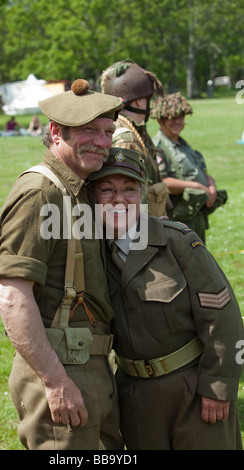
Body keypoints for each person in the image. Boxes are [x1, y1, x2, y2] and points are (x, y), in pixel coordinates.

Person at [0, 79, 124, 450]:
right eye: (88, 131)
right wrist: (55, 383)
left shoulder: (79, 188)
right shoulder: (41, 192)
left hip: (93, 364)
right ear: (54, 132)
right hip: (64, 369)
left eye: (107, 132)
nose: (102, 141)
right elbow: (11, 297)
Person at [88, 146, 244, 450]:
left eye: (129, 189)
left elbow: (224, 319)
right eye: (107, 190)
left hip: (193, 390)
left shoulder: (178, 243)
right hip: (135, 398)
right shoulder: (93, 255)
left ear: (143, 194)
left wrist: (218, 387)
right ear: (93, 198)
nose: (119, 199)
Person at [151, 92, 227, 242]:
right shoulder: (158, 147)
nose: (177, 121)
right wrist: (197, 186)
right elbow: (162, 182)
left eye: (180, 116)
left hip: (195, 213)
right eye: (171, 117)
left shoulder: (183, 144)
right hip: (180, 217)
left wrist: (211, 186)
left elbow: (202, 171)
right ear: (160, 121)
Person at [99, 59, 169, 217]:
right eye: (148, 99)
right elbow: (127, 196)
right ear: (138, 102)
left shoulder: (136, 131)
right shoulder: (127, 138)